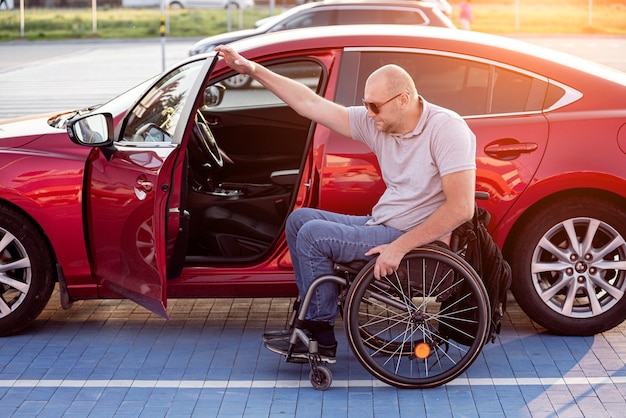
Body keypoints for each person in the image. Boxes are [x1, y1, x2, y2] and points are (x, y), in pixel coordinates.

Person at [215, 45, 476, 363]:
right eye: (367, 105)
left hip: (416, 239)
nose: (368, 113)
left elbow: (462, 208)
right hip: (382, 224)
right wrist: (253, 70)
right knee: (299, 220)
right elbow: (309, 103)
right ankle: (312, 317)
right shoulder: (380, 123)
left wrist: (400, 247)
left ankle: (319, 331)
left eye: (375, 106)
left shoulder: (446, 129)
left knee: (313, 235)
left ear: (403, 100)